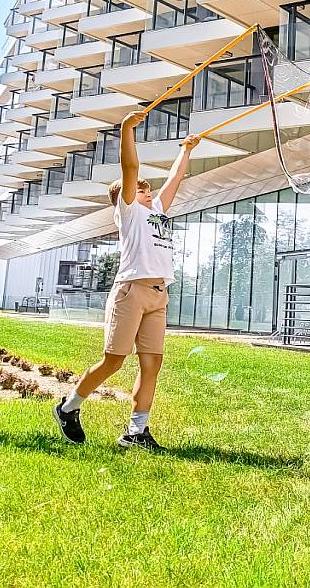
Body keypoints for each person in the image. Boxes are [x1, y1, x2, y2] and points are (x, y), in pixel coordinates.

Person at [53, 109, 200, 451]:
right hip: (131, 291)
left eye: (148, 190)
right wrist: (126, 130)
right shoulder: (130, 212)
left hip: (158, 294)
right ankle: (68, 407)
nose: (148, 192)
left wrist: (187, 148)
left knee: (152, 364)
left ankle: (136, 433)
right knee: (114, 360)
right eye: (142, 190)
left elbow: (176, 178)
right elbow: (130, 169)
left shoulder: (157, 212)